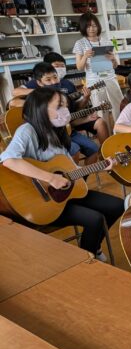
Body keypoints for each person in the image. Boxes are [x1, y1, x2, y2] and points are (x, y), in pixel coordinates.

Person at [0, 87, 123, 262]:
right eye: (59, 106)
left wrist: (101, 166)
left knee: (117, 205)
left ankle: (92, 247)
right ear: (40, 109)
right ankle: (86, 259)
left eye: (65, 105)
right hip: (41, 203)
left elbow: (69, 170)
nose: (65, 110)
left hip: (64, 195)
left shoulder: (58, 132)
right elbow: (8, 159)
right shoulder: (27, 130)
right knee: (95, 219)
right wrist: (50, 178)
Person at [13, 62, 101, 166]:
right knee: (74, 149)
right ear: (40, 83)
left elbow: (69, 121)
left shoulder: (62, 96)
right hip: (47, 136)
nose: (54, 82)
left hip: (65, 132)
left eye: (55, 77)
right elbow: (13, 102)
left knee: (93, 148)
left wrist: (86, 118)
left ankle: (81, 175)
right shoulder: (35, 100)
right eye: (48, 80)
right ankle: (69, 173)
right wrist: (40, 101)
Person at [73, 12, 123, 122]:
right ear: (83, 27)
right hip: (94, 82)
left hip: (110, 79)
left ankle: (121, 130)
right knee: (101, 112)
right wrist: (85, 56)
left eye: (94, 25)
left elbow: (115, 66)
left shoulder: (107, 41)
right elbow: (79, 67)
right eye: (88, 26)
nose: (92, 29)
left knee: (119, 107)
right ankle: (106, 132)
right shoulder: (80, 43)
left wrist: (113, 59)